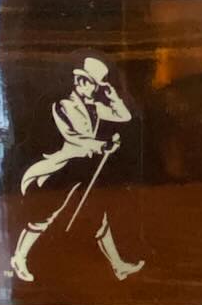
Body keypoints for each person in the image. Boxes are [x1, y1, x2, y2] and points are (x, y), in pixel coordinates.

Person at [11, 56, 144, 283]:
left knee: (99, 216)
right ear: (79, 81)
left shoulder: (95, 107)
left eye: (94, 84)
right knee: (45, 212)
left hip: (85, 169)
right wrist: (102, 145)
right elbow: (75, 138)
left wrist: (112, 95)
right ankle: (19, 258)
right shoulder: (64, 105)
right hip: (65, 168)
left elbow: (124, 116)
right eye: (88, 82)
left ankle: (118, 266)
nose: (90, 88)